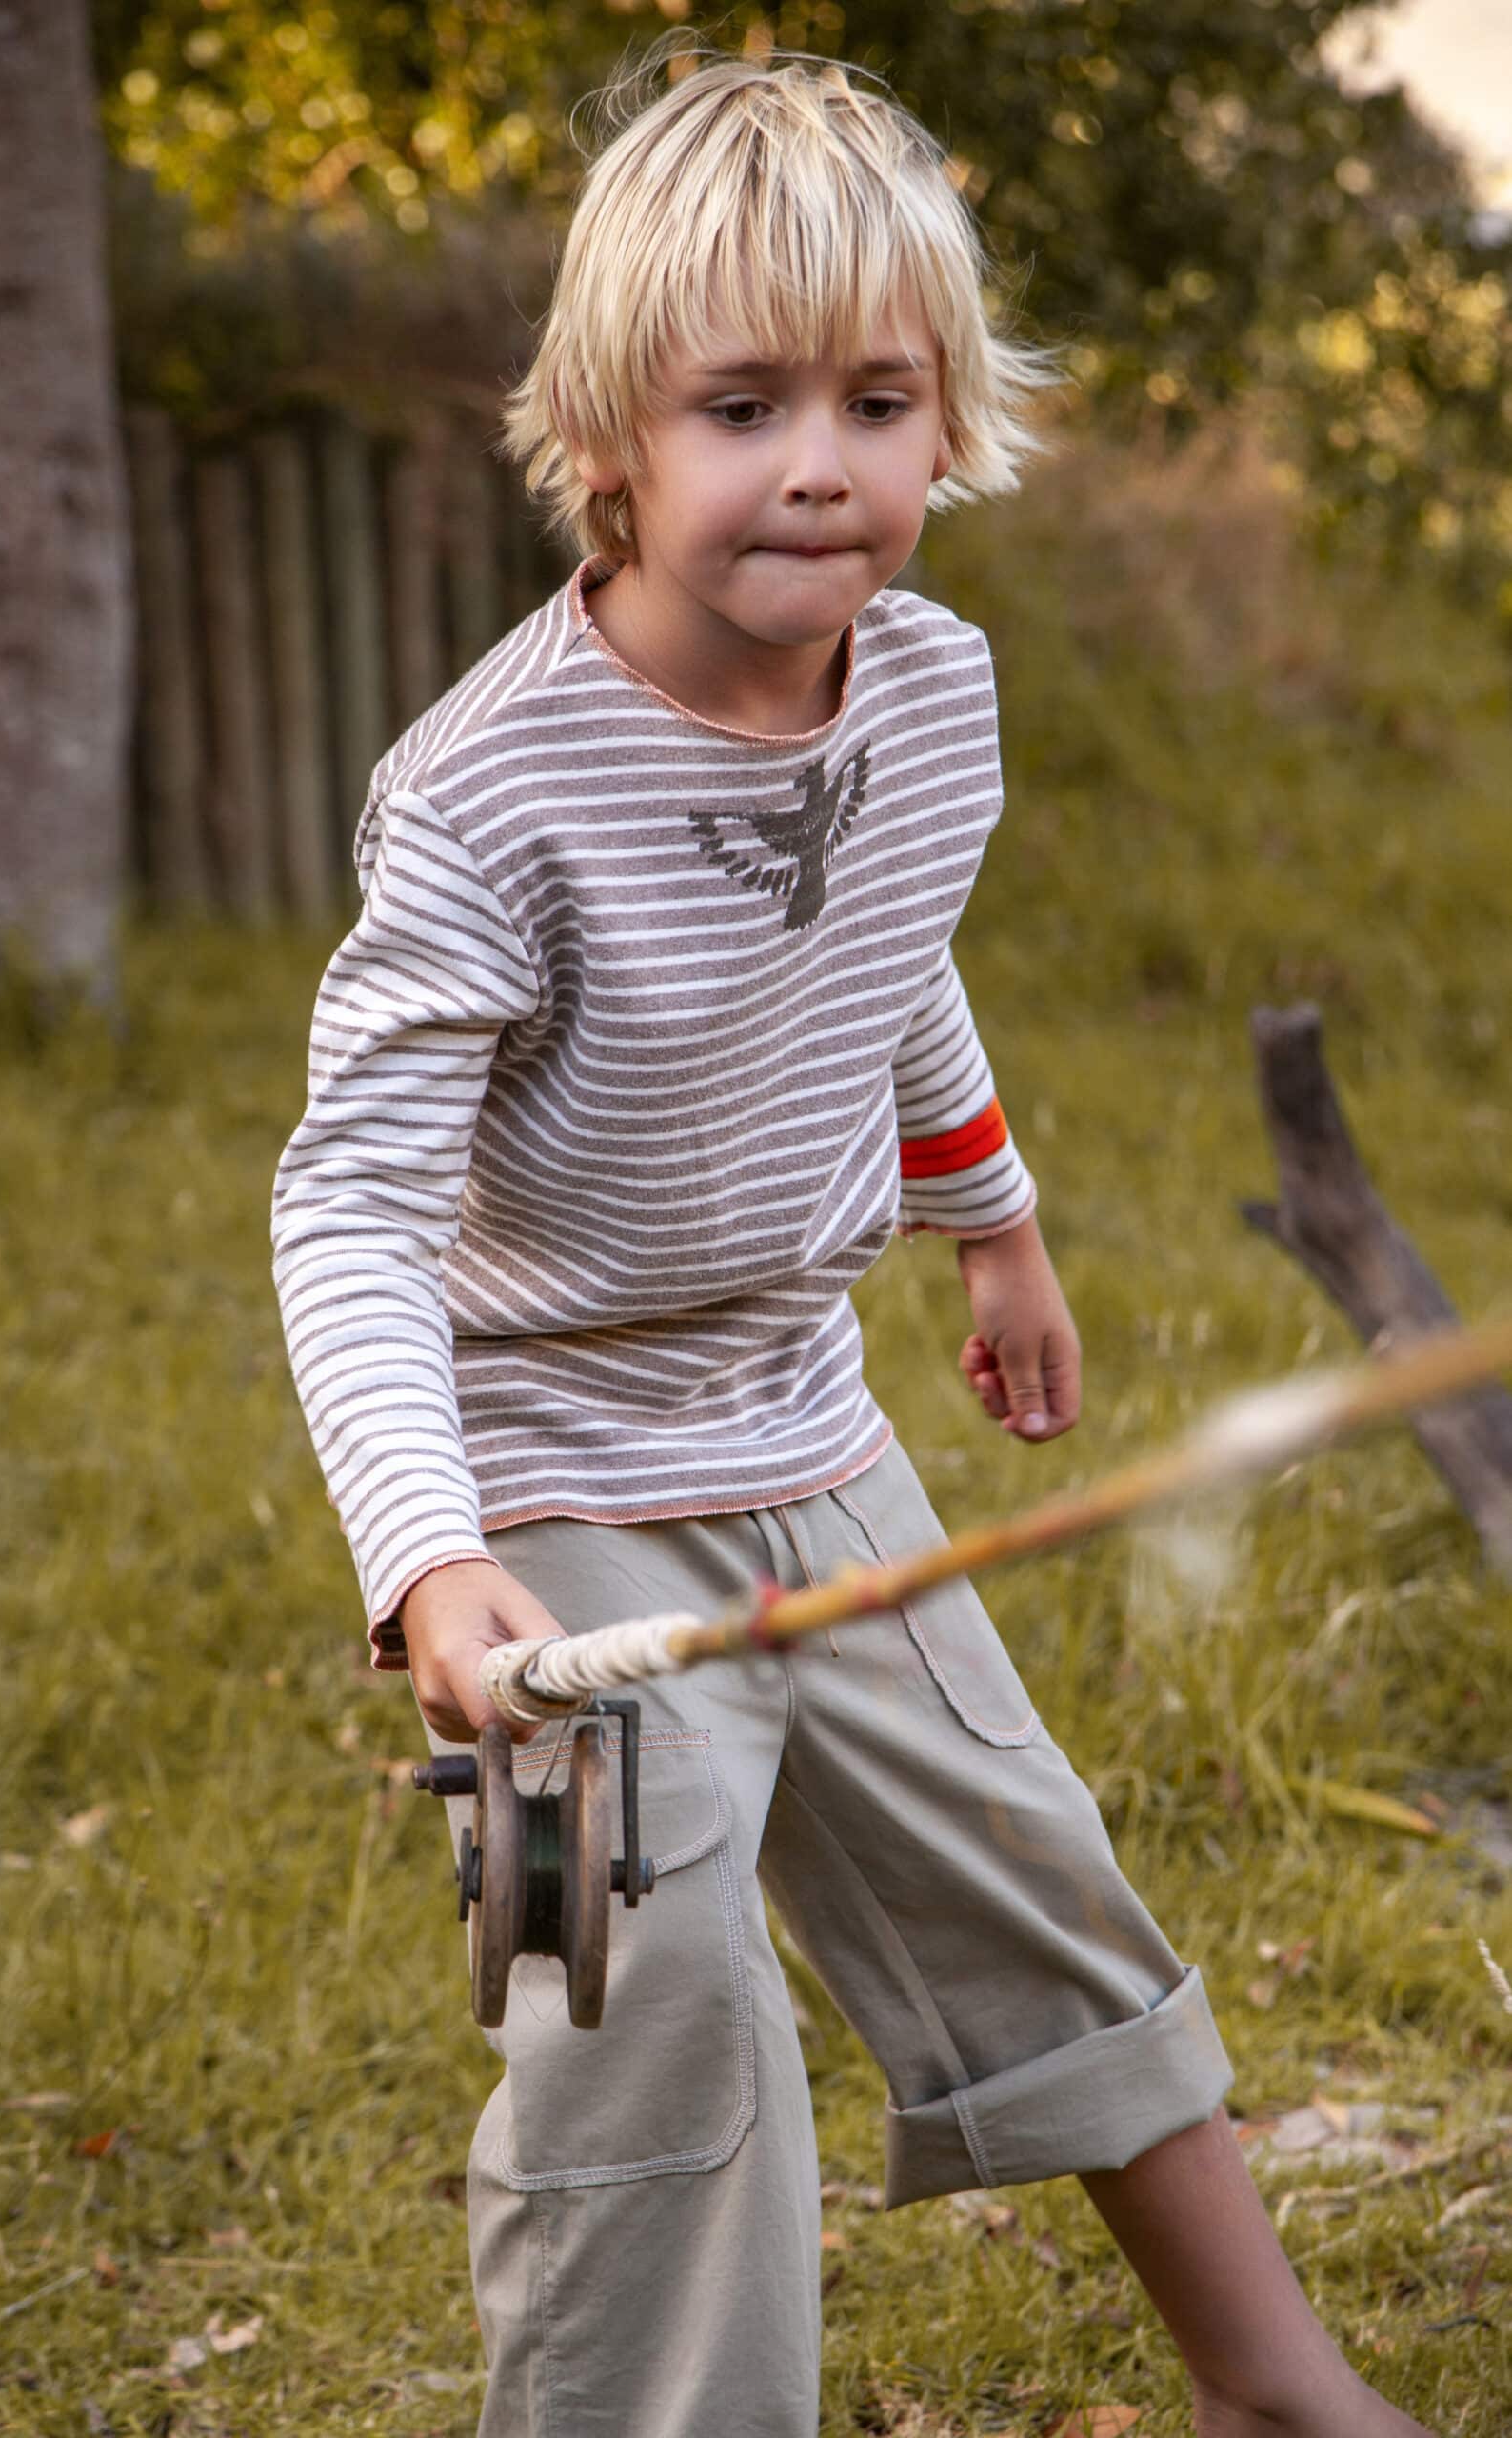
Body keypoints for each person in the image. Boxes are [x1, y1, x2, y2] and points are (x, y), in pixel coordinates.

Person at [271, 50, 1431, 2438]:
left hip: (803, 1416)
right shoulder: (487, 798)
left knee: (1033, 1869)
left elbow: (883, 948)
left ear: (948, 428)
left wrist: (988, 1223)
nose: (815, 458)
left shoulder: (929, 687)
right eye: (739, 401)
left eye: (874, 399)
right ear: (609, 436)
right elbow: (350, 1197)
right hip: (558, 1472)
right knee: (648, 1998)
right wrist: (429, 1558)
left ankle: (1277, 2387)